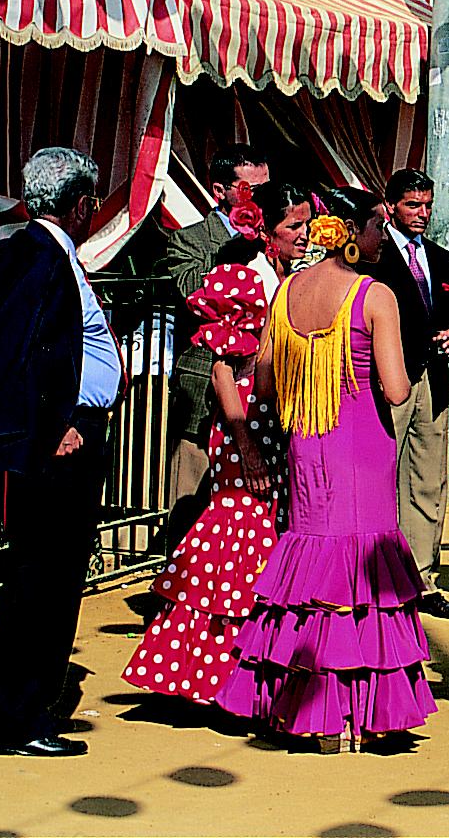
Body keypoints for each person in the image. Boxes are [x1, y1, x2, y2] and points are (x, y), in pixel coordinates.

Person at [217, 189, 437, 749]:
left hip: (306, 445)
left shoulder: (288, 290)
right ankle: (361, 714)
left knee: (311, 575)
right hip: (362, 443)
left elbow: (263, 384)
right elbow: (393, 386)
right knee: (363, 576)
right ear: (354, 233)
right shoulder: (375, 294)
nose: (382, 237)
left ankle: (310, 713)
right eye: (376, 227)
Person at [0, 148, 120, 757]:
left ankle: (26, 704)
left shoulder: (48, 254)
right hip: (55, 446)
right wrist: (52, 425)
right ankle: (18, 715)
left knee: (51, 577)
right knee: (41, 582)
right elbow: (9, 352)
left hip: (69, 435)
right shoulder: (33, 254)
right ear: (79, 205)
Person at [124, 263, 282, 705]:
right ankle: (216, 681)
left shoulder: (244, 348)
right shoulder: (235, 357)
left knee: (228, 572)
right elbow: (224, 380)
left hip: (249, 468)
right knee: (233, 570)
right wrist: (250, 449)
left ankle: (208, 678)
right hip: (243, 471)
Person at [370, 169, 449, 620]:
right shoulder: (373, 254)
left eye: (427, 205)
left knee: (429, 480)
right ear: (391, 206)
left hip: (434, 378)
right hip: (389, 377)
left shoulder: (442, 258)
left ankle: (422, 579)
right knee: (381, 476)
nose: (422, 214)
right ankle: (377, 578)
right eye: (413, 205)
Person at [162, 144, 269, 554]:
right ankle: (177, 590)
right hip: (206, 385)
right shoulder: (189, 239)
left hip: (259, 389)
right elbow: (190, 290)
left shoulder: (274, 240)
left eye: (264, 188)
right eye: (248, 189)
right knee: (191, 494)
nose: (257, 198)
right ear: (221, 190)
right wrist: (235, 256)